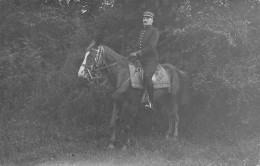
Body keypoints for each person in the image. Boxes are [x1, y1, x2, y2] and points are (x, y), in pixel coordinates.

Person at [129, 11, 160, 110]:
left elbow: (151, 47)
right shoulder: (142, 32)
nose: (145, 20)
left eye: (147, 18)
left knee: (147, 76)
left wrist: (138, 53)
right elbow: (140, 47)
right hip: (141, 60)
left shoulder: (155, 31)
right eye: (144, 18)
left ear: (152, 20)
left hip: (151, 60)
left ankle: (151, 102)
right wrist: (134, 54)